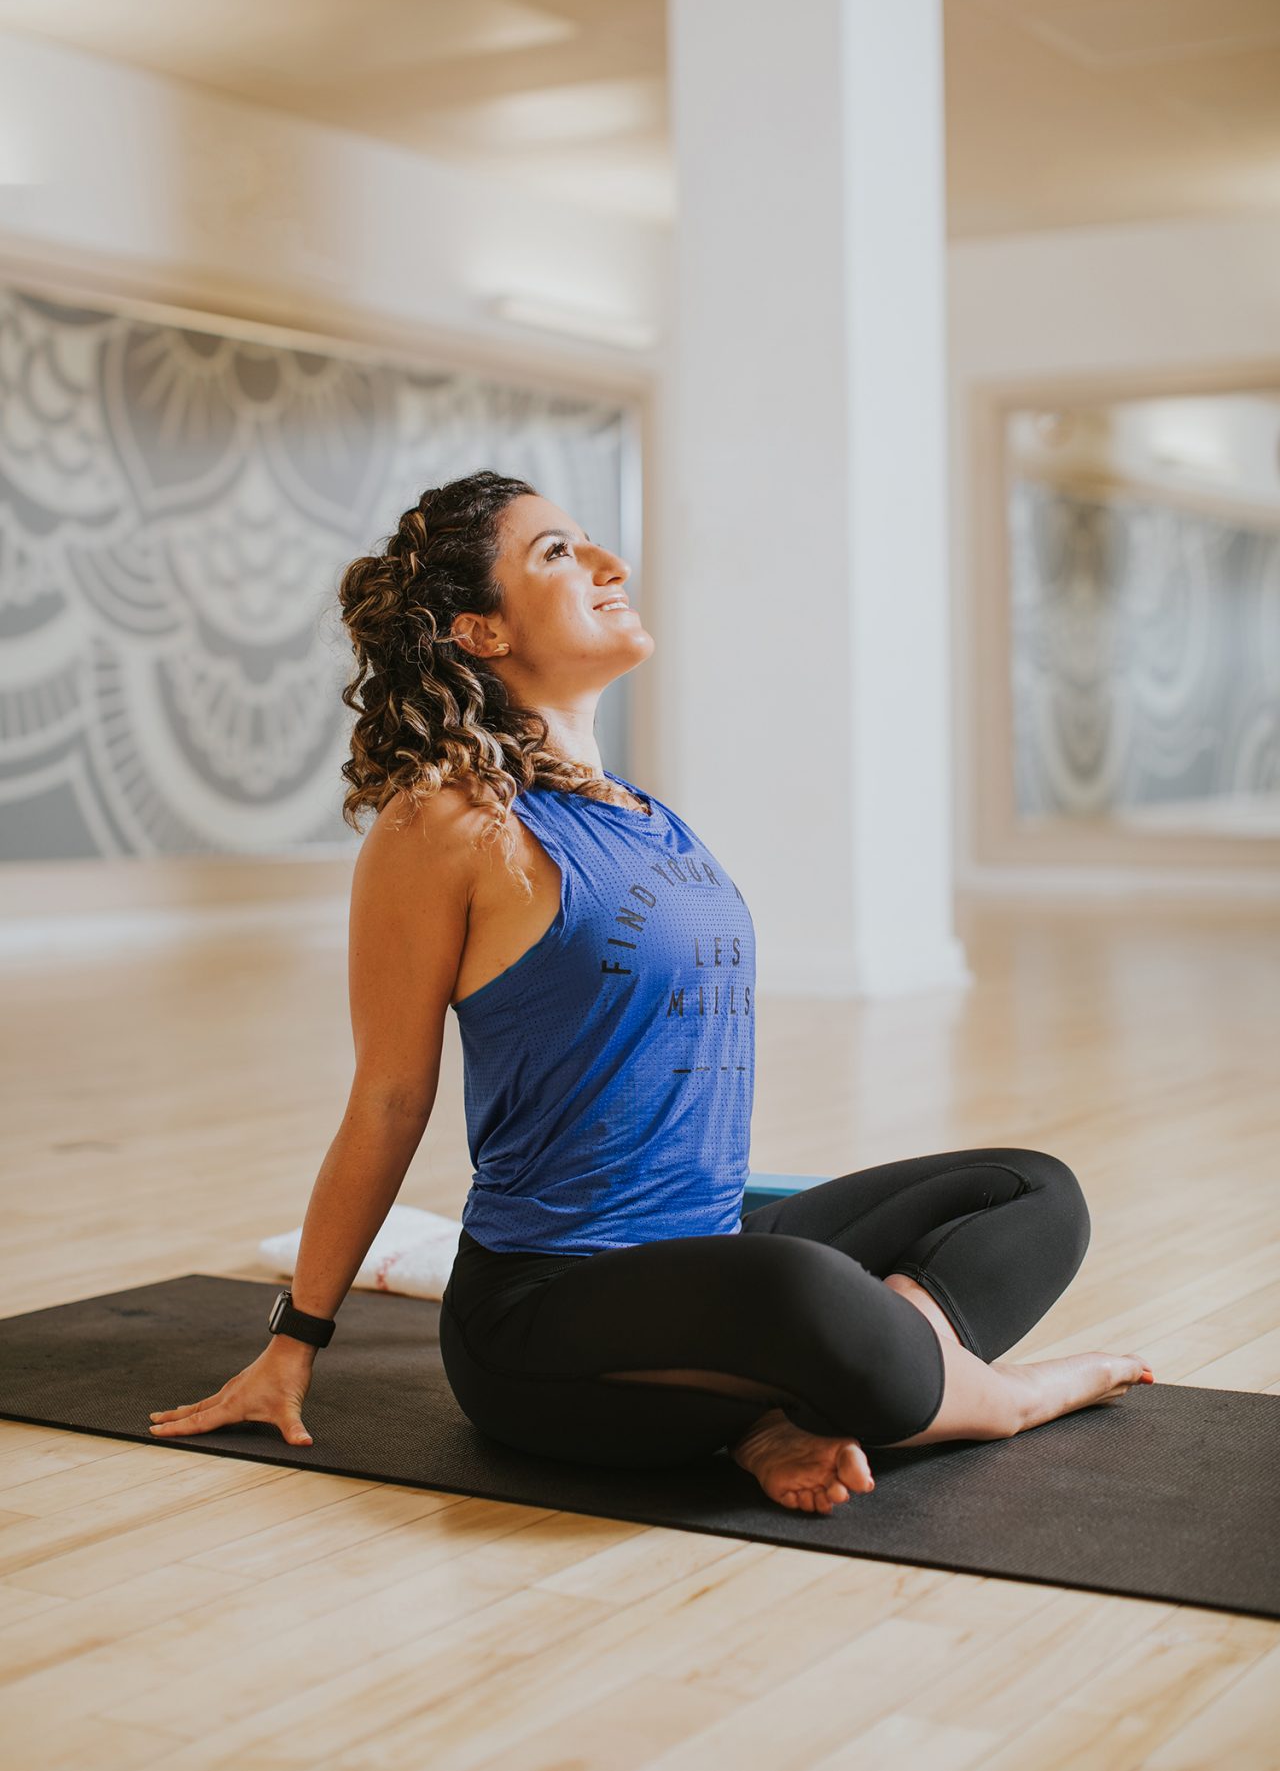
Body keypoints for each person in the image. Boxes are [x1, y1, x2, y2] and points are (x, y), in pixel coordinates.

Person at [149, 470, 1153, 1514]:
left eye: (589, 543)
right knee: (802, 1294)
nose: (607, 564)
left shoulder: (644, 813)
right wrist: (295, 1340)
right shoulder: (444, 827)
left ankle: (810, 1400)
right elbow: (390, 1096)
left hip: (704, 1265)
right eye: (553, 552)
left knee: (1028, 1190)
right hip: (551, 1322)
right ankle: (992, 1398)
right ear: (479, 632)